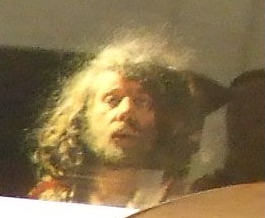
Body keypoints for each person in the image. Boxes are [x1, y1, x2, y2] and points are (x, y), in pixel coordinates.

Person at [27, 38, 207, 205]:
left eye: (141, 101)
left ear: (166, 117)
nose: (125, 111)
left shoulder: (182, 204)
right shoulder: (52, 199)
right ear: (83, 114)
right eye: (112, 100)